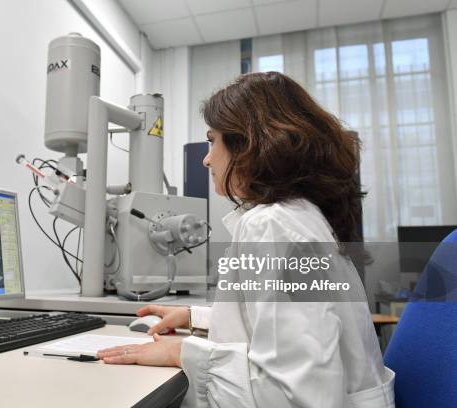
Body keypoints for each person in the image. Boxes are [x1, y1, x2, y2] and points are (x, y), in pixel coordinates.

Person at [97, 72, 395, 407]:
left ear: (248, 143)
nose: (207, 158)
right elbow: (290, 329)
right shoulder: (300, 216)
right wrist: (197, 318)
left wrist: (186, 353)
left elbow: (294, 397)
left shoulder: (272, 225)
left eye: (213, 140)